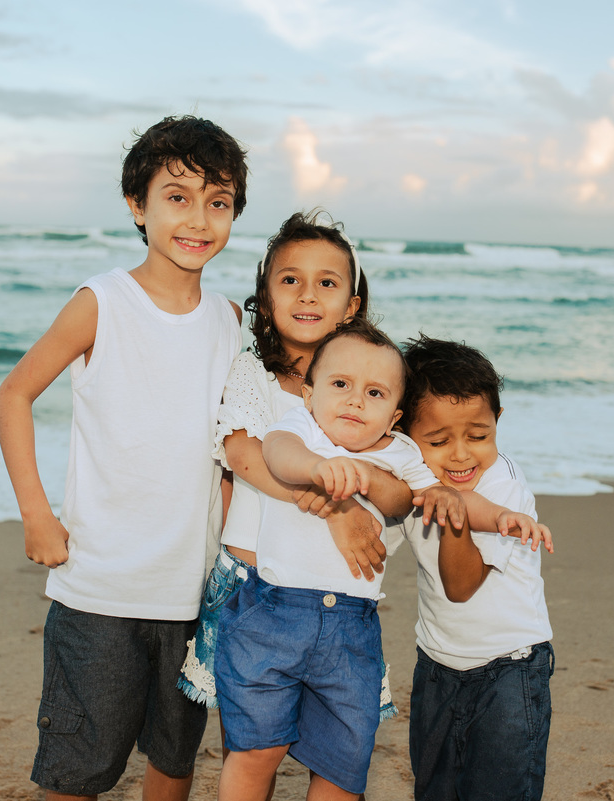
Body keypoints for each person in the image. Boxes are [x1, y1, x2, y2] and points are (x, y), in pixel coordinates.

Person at [0, 115, 247, 801]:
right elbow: (13, 394)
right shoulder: (102, 301)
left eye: (218, 202)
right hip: (99, 587)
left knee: (174, 757)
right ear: (137, 206)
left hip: (193, 592)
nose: (198, 219)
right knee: (80, 766)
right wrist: (36, 514)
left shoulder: (229, 321)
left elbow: (236, 446)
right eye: (177, 197)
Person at [216, 320, 541, 801]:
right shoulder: (301, 429)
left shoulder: (403, 453)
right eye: (340, 385)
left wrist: (502, 516)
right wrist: (318, 469)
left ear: (394, 415)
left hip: (351, 628)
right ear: (309, 394)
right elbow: (275, 454)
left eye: (374, 392)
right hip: (274, 612)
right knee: (256, 748)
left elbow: (441, 497)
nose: (353, 401)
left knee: (343, 763)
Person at [177, 212, 418, 801]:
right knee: (251, 745)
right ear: (265, 295)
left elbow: (403, 479)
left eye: (327, 283)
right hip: (250, 583)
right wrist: (337, 507)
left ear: (353, 304)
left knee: (338, 750)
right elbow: (246, 455)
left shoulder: (371, 386)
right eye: (290, 280)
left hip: (342, 600)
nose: (308, 294)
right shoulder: (253, 373)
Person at [395, 335, 556, 801]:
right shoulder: (411, 475)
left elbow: (460, 585)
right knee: (435, 790)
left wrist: (453, 510)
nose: (462, 455)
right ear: (404, 433)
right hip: (437, 665)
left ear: (498, 422)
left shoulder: (504, 486)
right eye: (439, 440)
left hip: (509, 670)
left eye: (479, 436)